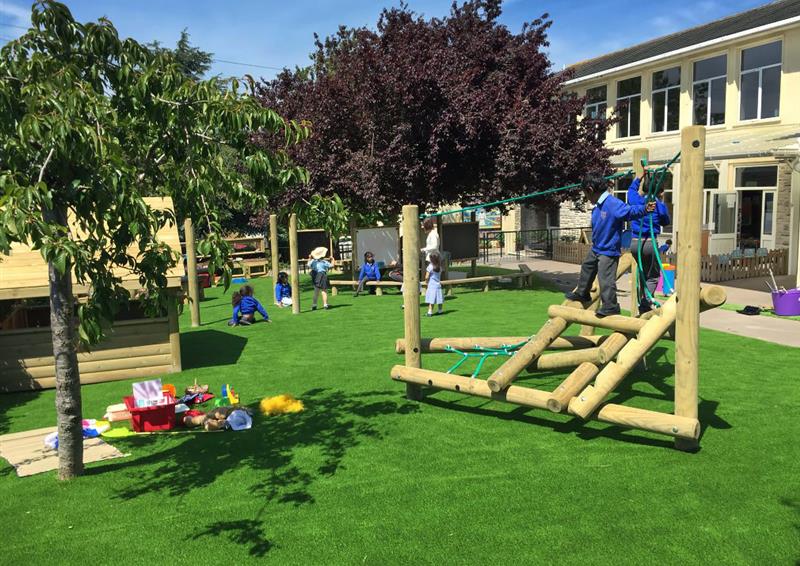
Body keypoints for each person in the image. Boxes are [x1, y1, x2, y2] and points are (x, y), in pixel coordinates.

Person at [565, 172, 655, 317]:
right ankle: (583, 293)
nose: (587, 198)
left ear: (590, 190)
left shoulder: (612, 204)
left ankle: (611, 306)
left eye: (586, 195)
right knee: (587, 268)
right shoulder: (599, 204)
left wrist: (644, 209)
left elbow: (629, 211)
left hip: (608, 250)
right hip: (596, 247)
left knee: (605, 279)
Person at [628, 175, 671, 313]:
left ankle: (644, 304)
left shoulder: (636, 199)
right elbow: (665, 221)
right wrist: (661, 201)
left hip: (634, 243)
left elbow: (630, 190)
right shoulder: (658, 205)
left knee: (643, 274)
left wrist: (639, 176)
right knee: (652, 276)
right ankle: (646, 303)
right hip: (649, 243)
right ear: (660, 191)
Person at [424, 251, 444, 316]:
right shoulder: (440, 267)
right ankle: (440, 310)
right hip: (438, 285)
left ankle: (430, 312)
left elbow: (426, 277)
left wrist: (426, 281)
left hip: (431, 285)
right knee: (439, 298)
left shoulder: (430, 267)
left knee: (431, 299)